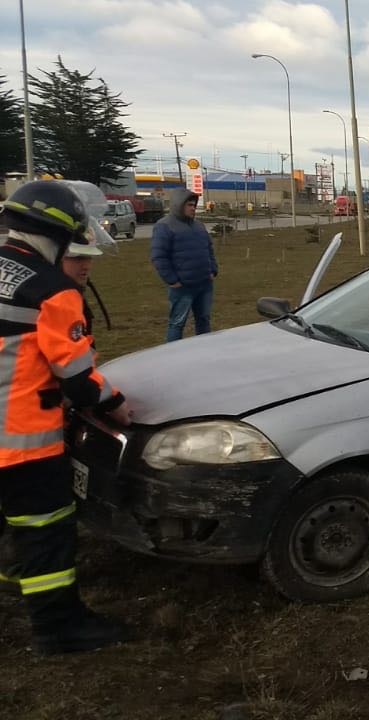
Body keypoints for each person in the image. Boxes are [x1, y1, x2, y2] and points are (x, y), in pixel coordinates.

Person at [0, 180, 133, 654]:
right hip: (21, 442)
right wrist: (116, 404)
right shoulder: (52, 290)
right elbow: (77, 378)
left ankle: (13, 575)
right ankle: (59, 627)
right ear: (54, 235)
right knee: (46, 531)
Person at [151, 189, 217, 342]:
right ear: (178, 205)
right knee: (177, 323)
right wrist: (172, 280)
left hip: (204, 284)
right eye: (189, 205)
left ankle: (204, 350)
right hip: (182, 288)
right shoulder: (164, 226)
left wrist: (213, 270)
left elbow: (209, 249)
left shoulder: (199, 226)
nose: (193, 208)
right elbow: (159, 256)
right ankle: (173, 356)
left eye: (194, 205)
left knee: (204, 320)